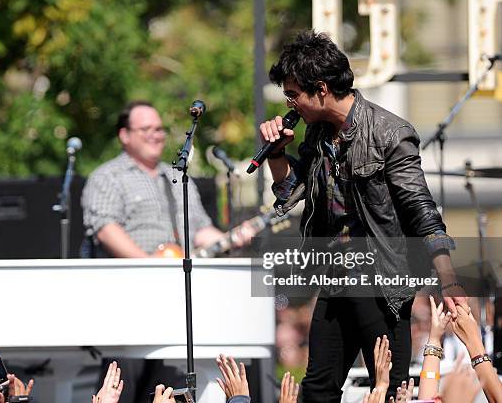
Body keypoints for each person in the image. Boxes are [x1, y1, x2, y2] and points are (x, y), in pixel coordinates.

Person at [259, 30, 468, 402]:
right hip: (335, 276)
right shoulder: (317, 134)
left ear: (321, 88)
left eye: (294, 94)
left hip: (382, 284)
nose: (291, 104)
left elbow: (421, 211)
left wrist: (448, 281)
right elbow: (292, 192)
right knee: (317, 390)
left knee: (391, 391)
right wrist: (276, 154)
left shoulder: (390, 133)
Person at [81, 100, 251, 258]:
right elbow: (106, 229)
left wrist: (231, 239)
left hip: (184, 278)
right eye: (146, 129)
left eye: (159, 129)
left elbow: (200, 230)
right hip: (132, 279)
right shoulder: (108, 176)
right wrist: (149, 265)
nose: (155, 135)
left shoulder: (179, 176)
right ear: (125, 135)